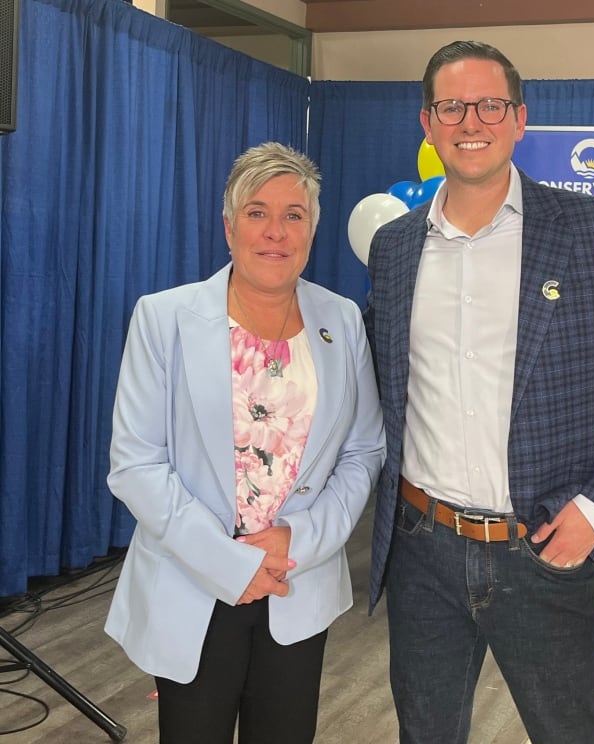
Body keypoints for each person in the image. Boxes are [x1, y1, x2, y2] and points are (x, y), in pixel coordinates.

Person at [364, 41, 594, 744]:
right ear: (427, 122)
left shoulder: (590, 230)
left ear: (519, 119)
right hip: (421, 551)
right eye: (452, 105)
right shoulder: (395, 249)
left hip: (541, 549)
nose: (470, 119)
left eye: (489, 104)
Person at [105, 142, 385, 744]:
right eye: (257, 212)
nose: (275, 232)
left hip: (297, 579)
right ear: (229, 224)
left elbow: (364, 450)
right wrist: (232, 564)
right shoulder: (164, 318)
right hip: (194, 580)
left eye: (294, 215)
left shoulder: (343, 320)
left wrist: (300, 541)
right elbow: (135, 463)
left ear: (312, 227)